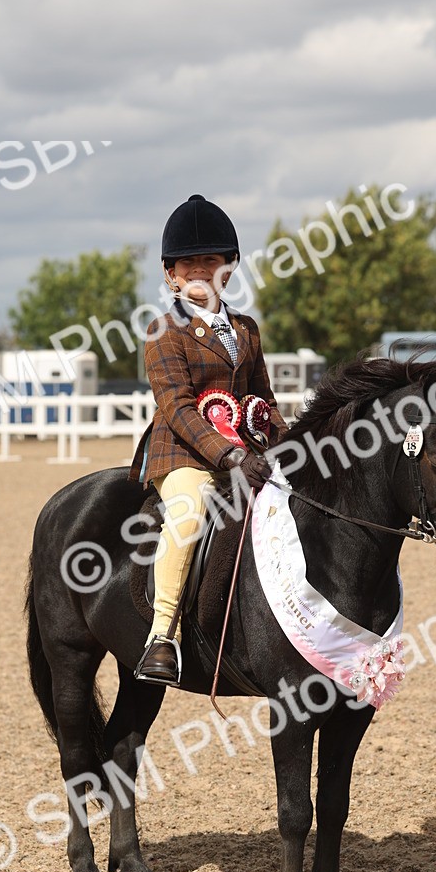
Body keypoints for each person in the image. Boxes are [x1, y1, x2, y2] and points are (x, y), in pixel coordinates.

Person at [128, 193, 288, 685]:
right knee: (189, 510)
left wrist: (292, 446)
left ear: (229, 269)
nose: (200, 269)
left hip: (246, 451)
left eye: (211, 260)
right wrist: (230, 456)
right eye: (189, 263)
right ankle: (162, 636)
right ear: (170, 275)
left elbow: (263, 399)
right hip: (183, 455)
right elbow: (177, 407)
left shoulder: (246, 329)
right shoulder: (163, 331)